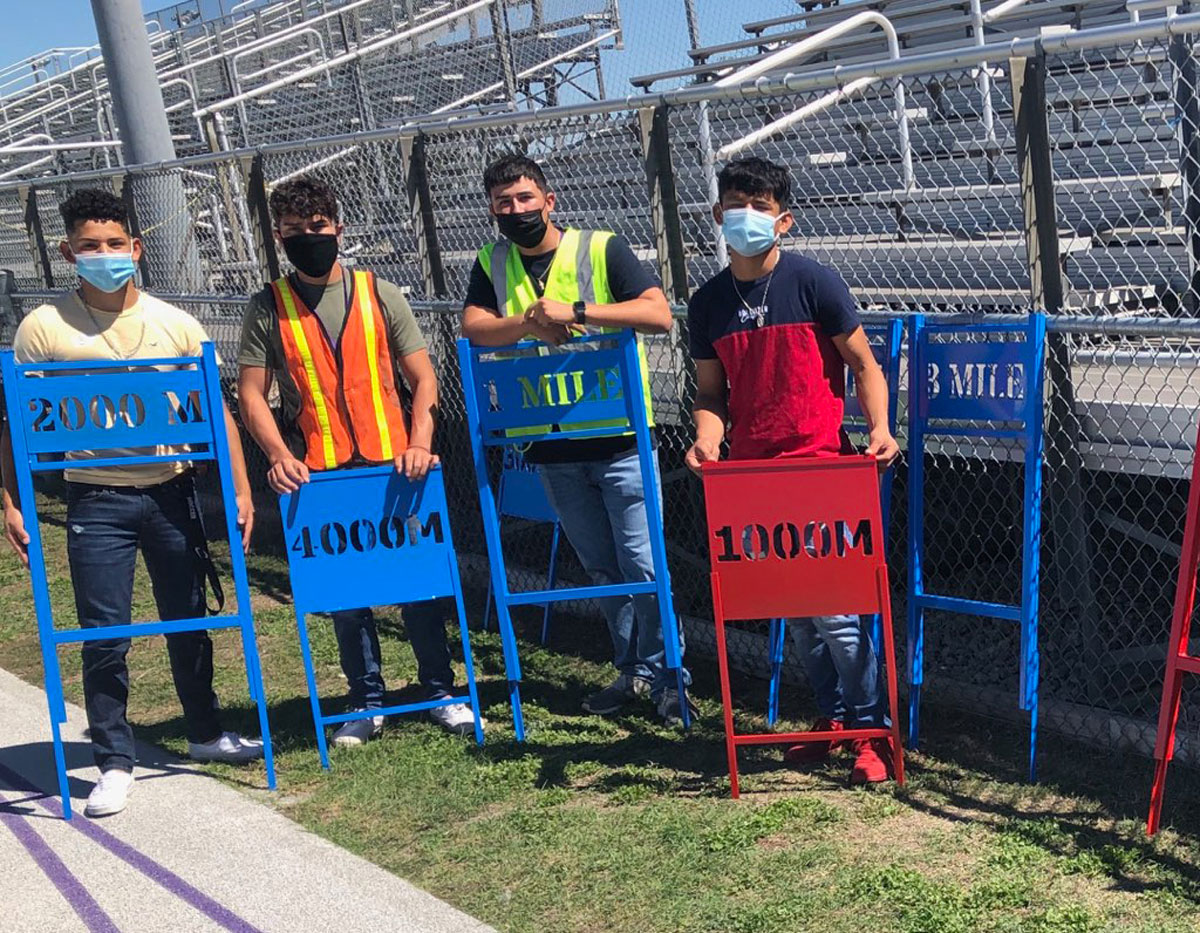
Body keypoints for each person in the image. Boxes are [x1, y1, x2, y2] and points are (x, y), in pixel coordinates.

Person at [1, 189, 264, 818]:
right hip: (96, 497)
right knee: (105, 634)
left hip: (171, 492)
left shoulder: (177, 324)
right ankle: (113, 762)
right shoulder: (44, 328)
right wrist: (11, 502)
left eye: (115, 244)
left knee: (189, 619)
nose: (104, 255)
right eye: (90, 246)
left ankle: (204, 732)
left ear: (136, 248)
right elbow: (15, 424)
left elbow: (216, 411)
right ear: (69, 252)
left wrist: (241, 488)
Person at [236, 175, 476, 746]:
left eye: (317, 226)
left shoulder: (379, 293)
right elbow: (251, 393)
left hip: (396, 466)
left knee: (418, 583)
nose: (307, 238)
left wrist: (420, 441)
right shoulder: (268, 306)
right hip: (320, 473)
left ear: (338, 228)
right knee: (344, 593)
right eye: (294, 230)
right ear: (278, 237)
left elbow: (423, 378)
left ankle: (440, 691)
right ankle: (365, 700)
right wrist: (278, 455)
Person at [685, 157, 901, 783]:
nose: (745, 217)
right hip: (752, 479)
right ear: (717, 215)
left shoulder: (814, 283)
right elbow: (711, 393)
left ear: (784, 220)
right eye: (735, 205)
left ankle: (872, 730)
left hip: (820, 469)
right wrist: (707, 441)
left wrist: (880, 428)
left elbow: (864, 365)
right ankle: (833, 719)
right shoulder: (707, 304)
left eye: (760, 207)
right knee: (797, 611)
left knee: (833, 610)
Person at [461, 153, 692, 726]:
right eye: (503, 202)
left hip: (619, 437)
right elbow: (474, 327)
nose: (516, 210)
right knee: (601, 569)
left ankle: (670, 676)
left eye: (525, 198)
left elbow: (658, 314)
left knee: (643, 566)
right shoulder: (492, 261)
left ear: (549, 200)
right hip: (549, 444)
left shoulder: (600, 248)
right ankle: (632, 669)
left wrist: (579, 310)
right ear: (491, 210)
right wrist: (529, 322)